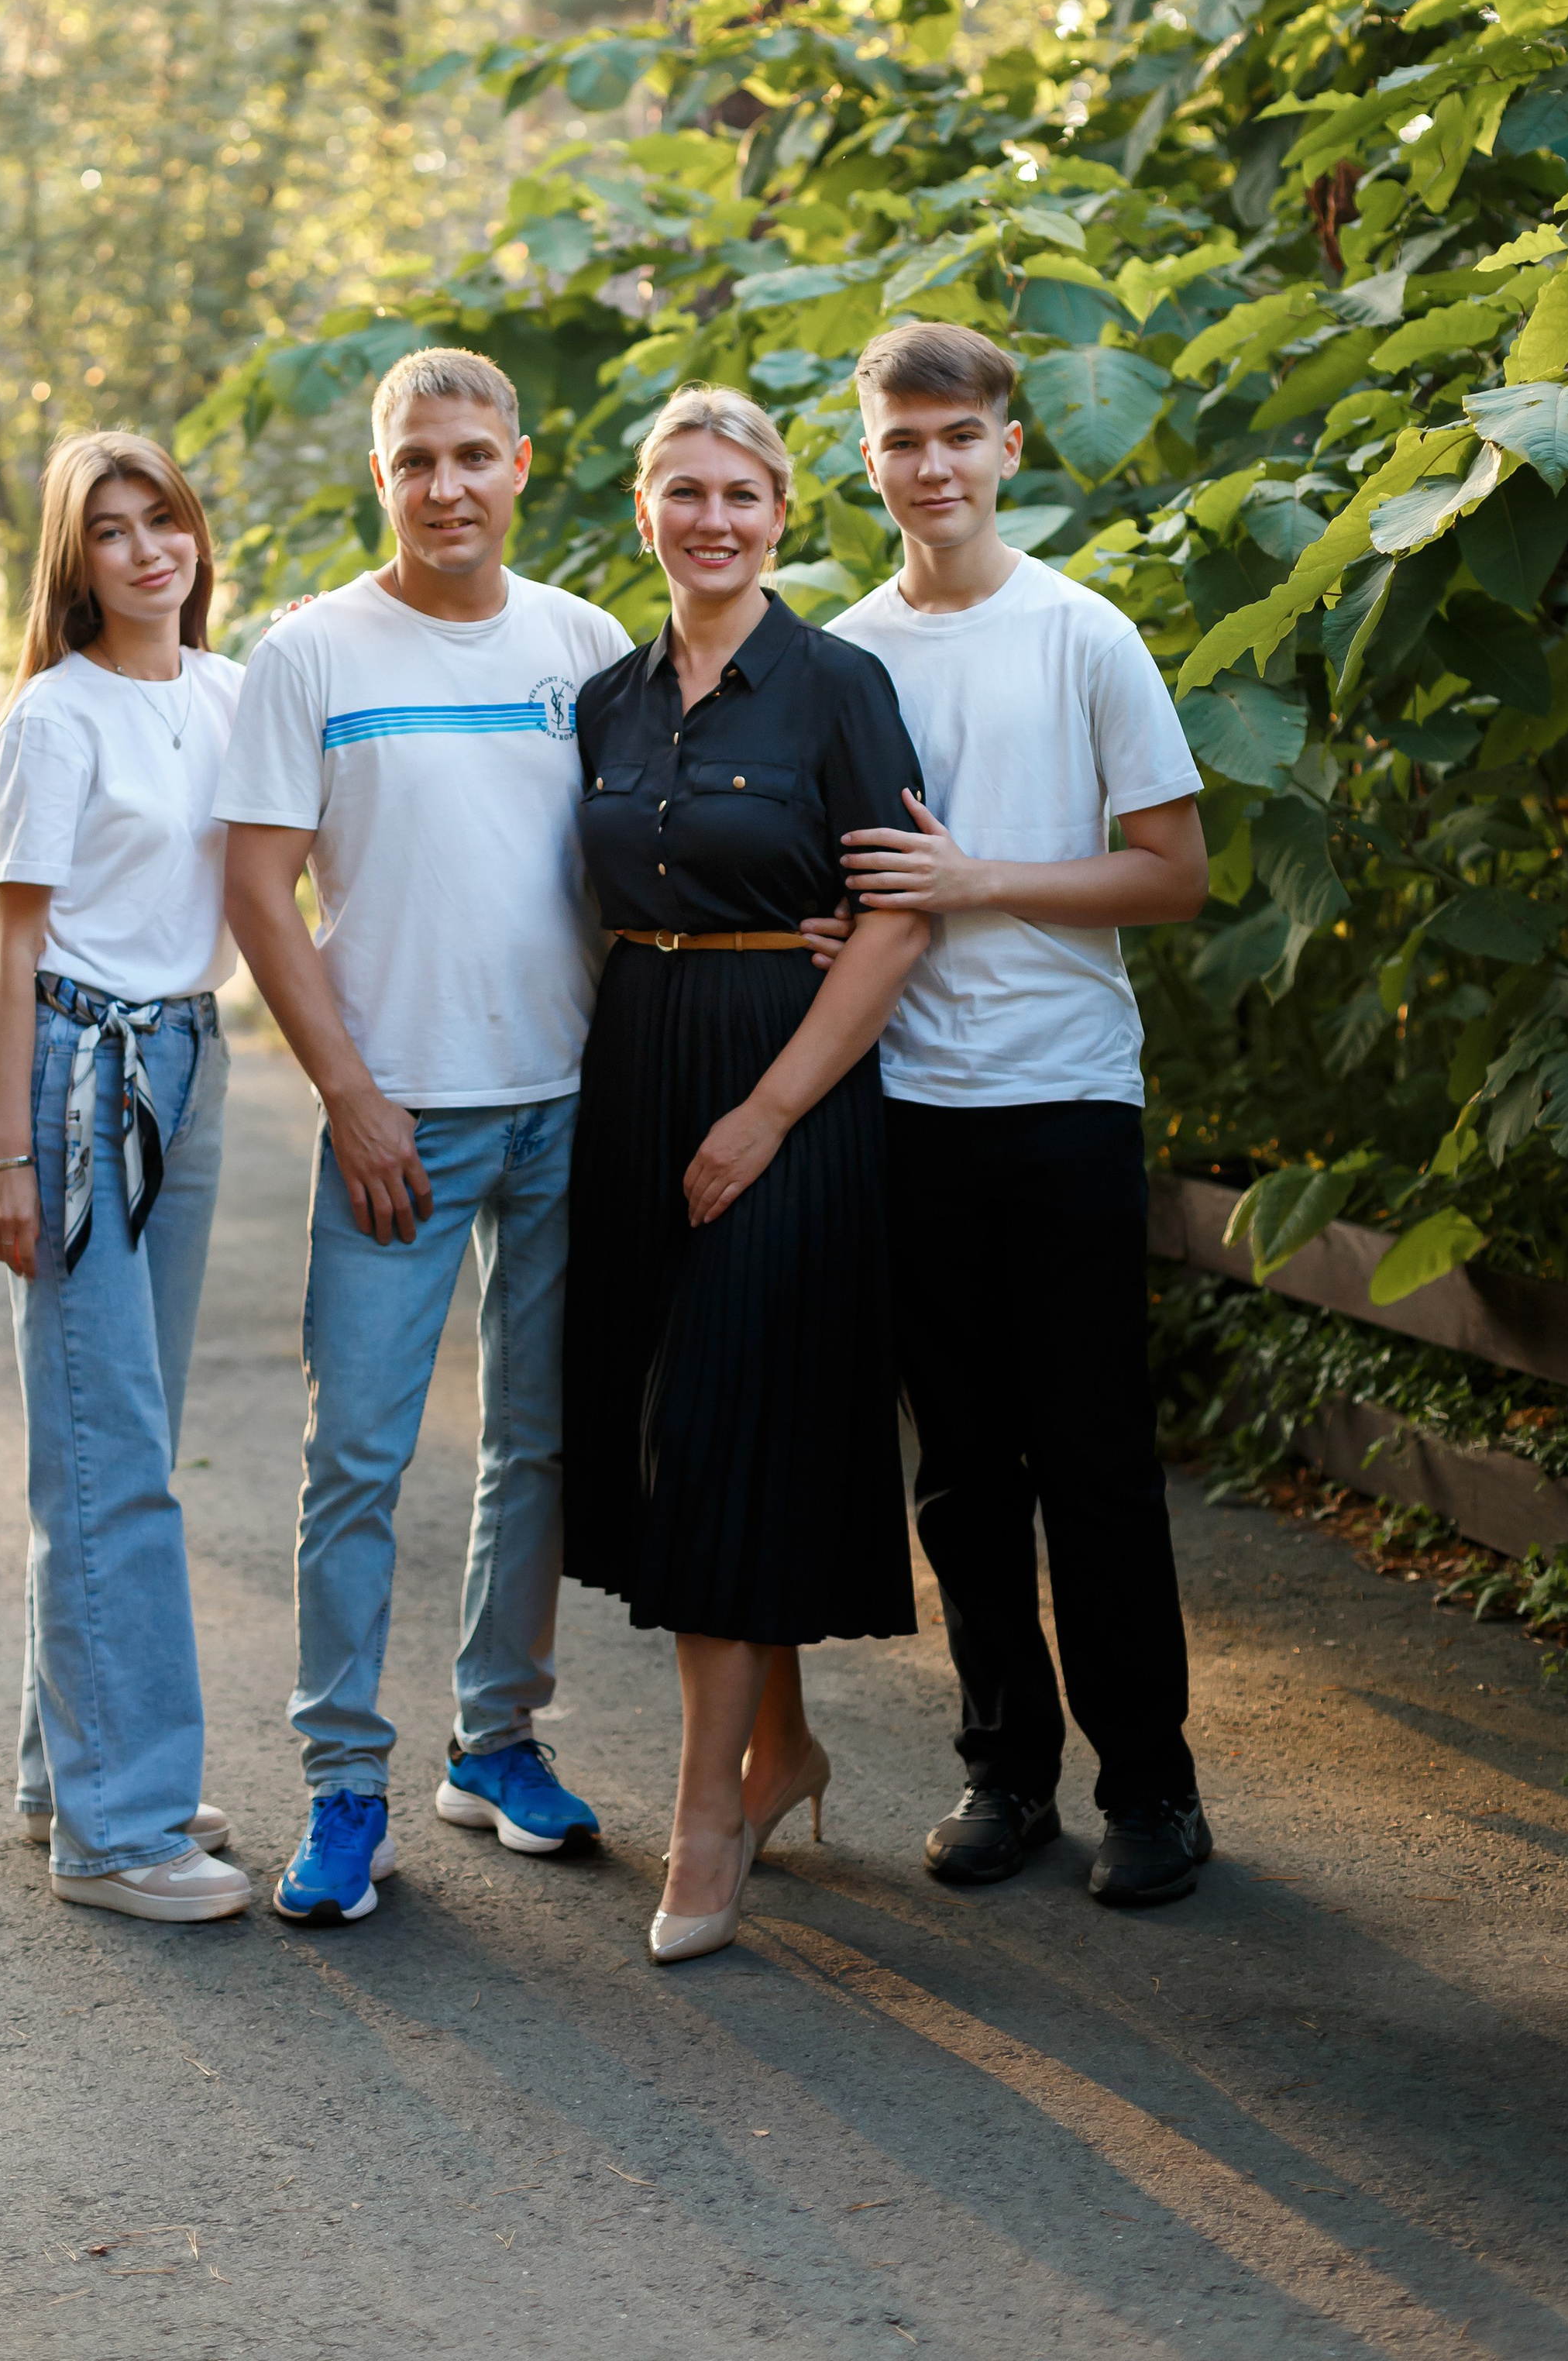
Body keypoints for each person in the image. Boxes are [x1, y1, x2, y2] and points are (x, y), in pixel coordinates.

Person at [216, 347, 635, 1928]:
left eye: (471, 455)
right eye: (415, 462)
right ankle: (342, 1782)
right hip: (393, 1117)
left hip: (566, 1107)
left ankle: (496, 1740)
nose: (446, 485)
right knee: (360, 1458)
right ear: (378, 480)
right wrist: (350, 1096)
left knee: (536, 1441)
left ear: (519, 464)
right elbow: (259, 891)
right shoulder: (310, 650)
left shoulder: (583, 644)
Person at [830, 320, 1213, 1909]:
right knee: (957, 1475)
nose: (931, 466)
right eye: (901, 442)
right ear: (869, 462)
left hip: (1060, 1095)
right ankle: (1007, 1778)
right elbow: (843, 876)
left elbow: (1173, 874)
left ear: (1006, 447)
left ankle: (1150, 1792)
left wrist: (981, 879)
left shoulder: (1082, 635)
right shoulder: (844, 653)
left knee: (1094, 1461)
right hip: (906, 1103)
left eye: (956, 436)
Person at [562, 387, 930, 1967]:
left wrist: (769, 1112)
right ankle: (782, 1753)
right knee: (669, 1437)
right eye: (681, 491)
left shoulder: (839, 685)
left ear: (784, 512)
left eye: (740, 493)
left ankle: (706, 1813)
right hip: (635, 1062)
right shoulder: (602, 700)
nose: (711, 518)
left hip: (785, 1081)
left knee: (724, 1421)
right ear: (643, 511)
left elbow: (900, 919)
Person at [0, 429, 250, 1922]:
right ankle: (123, 1830)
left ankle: (64, 1773)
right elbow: (14, 946)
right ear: (73, 562)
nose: (150, 549)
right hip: (78, 1078)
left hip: (191, 1064)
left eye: (167, 520)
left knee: (121, 1429)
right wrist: (9, 1153)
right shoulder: (54, 718)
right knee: (110, 1451)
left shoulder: (231, 693)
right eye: (113, 530)